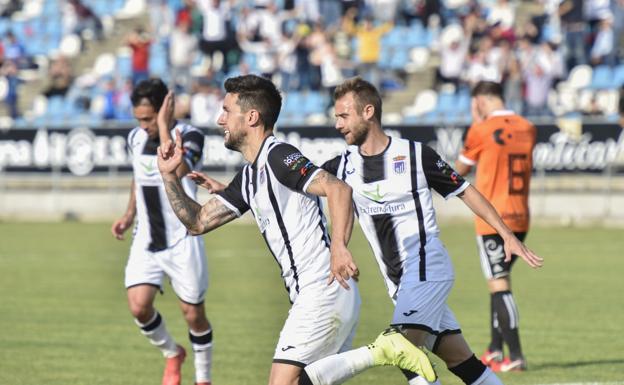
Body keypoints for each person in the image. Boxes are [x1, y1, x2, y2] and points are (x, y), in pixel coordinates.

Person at [156, 74, 437, 385]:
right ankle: (383, 351)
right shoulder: (250, 176)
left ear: (251, 117)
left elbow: (339, 189)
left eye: (226, 110)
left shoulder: (278, 155)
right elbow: (197, 222)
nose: (219, 118)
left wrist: (339, 247)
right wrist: (169, 177)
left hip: (323, 290)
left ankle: (381, 351)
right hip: (320, 294)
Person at [318, 77, 543, 384]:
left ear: (368, 112)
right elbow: (296, 181)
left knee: (403, 351)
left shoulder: (415, 155)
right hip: (400, 286)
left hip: (426, 270)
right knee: (460, 359)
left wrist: (505, 234)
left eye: (343, 116)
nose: (337, 124)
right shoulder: (341, 166)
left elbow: (466, 190)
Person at [111, 78, 213, 385]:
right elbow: (138, 177)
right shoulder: (135, 138)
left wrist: (165, 128)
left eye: (148, 119)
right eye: (139, 119)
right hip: (147, 238)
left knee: (193, 316)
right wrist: (129, 214)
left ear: (163, 112)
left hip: (183, 237)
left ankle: (203, 378)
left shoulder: (191, 135)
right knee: (139, 307)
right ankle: (172, 353)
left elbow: (179, 170)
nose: (143, 126)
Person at [455, 80, 537, 373]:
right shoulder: (528, 127)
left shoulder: (481, 130)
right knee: (498, 281)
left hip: (493, 219)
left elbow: (459, 171)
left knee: (499, 284)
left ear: (478, 101)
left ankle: (515, 355)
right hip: (521, 216)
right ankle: (494, 350)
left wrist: (475, 124)